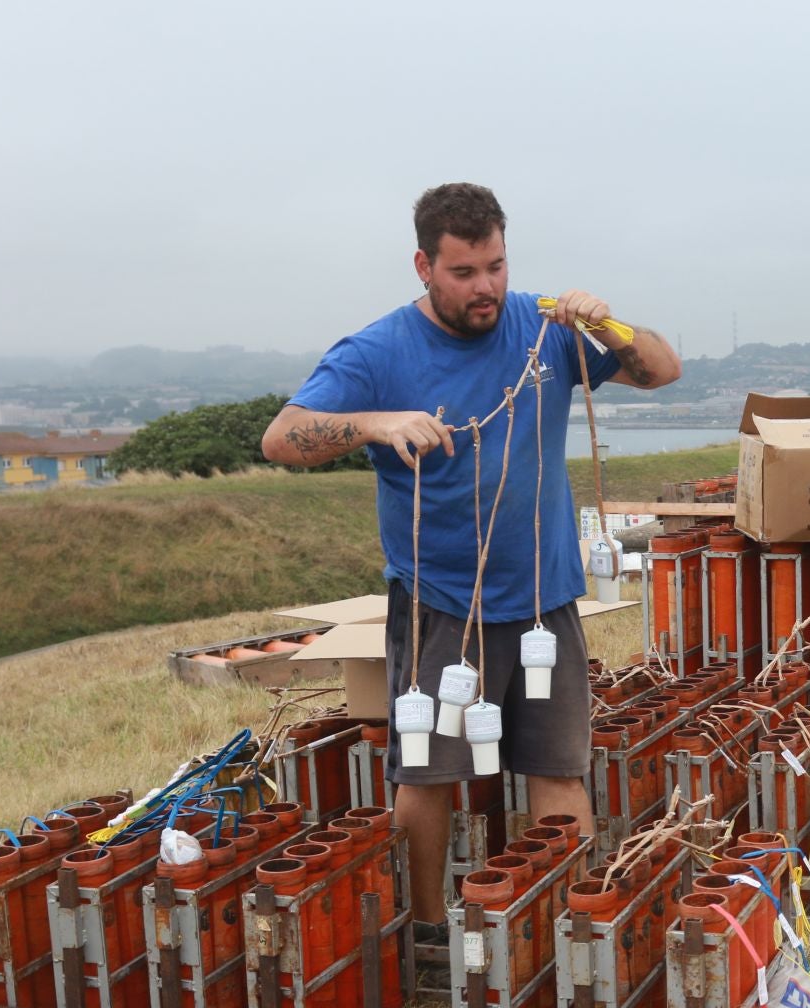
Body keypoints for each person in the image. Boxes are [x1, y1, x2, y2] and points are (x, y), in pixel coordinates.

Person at [261, 182, 681, 931]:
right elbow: (282, 439)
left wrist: (609, 324)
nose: (486, 287)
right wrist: (373, 423)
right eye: (464, 272)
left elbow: (661, 370)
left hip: (546, 599)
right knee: (431, 774)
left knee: (558, 768)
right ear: (423, 266)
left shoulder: (544, 325)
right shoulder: (378, 351)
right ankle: (426, 930)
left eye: (495, 265)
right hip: (442, 603)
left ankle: (565, 927)